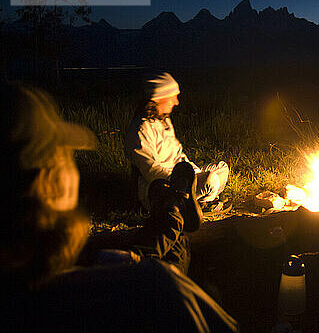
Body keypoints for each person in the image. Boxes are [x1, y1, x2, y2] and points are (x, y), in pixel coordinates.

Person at [1, 82, 238, 332]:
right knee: (169, 256)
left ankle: (175, 207)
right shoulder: (154, 288)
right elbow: (152, 169)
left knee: (170, 231)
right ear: (48, 181)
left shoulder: (23, 290)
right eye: (64, 155)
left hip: (165, 193)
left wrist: (99, 256)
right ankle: (176, 205)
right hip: (160, 191)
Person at [125, 72, 230, 211]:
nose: (176, 102)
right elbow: (151, 171)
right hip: (163, 188)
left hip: (182, 177)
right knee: (211, 180)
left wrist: (193, 171)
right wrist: (186, 179)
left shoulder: (164, 120)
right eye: (173, 97)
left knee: (222, 168)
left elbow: (179, 155)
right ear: (159, 98)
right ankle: (196, 205)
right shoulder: (141, 129)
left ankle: (201, 201)